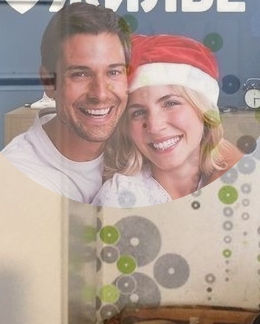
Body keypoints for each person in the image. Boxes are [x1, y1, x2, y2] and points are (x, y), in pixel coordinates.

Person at [2, 1, 131, 204]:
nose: (100, 94)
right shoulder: (18, 180)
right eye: (80, 74)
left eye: (113, 72)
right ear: (49, 82)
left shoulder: (141, 140)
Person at [92, 34, 242, 206]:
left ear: (203, 110)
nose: (154, 126)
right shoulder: (119, 197)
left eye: (170, 103)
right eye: (138, 112)